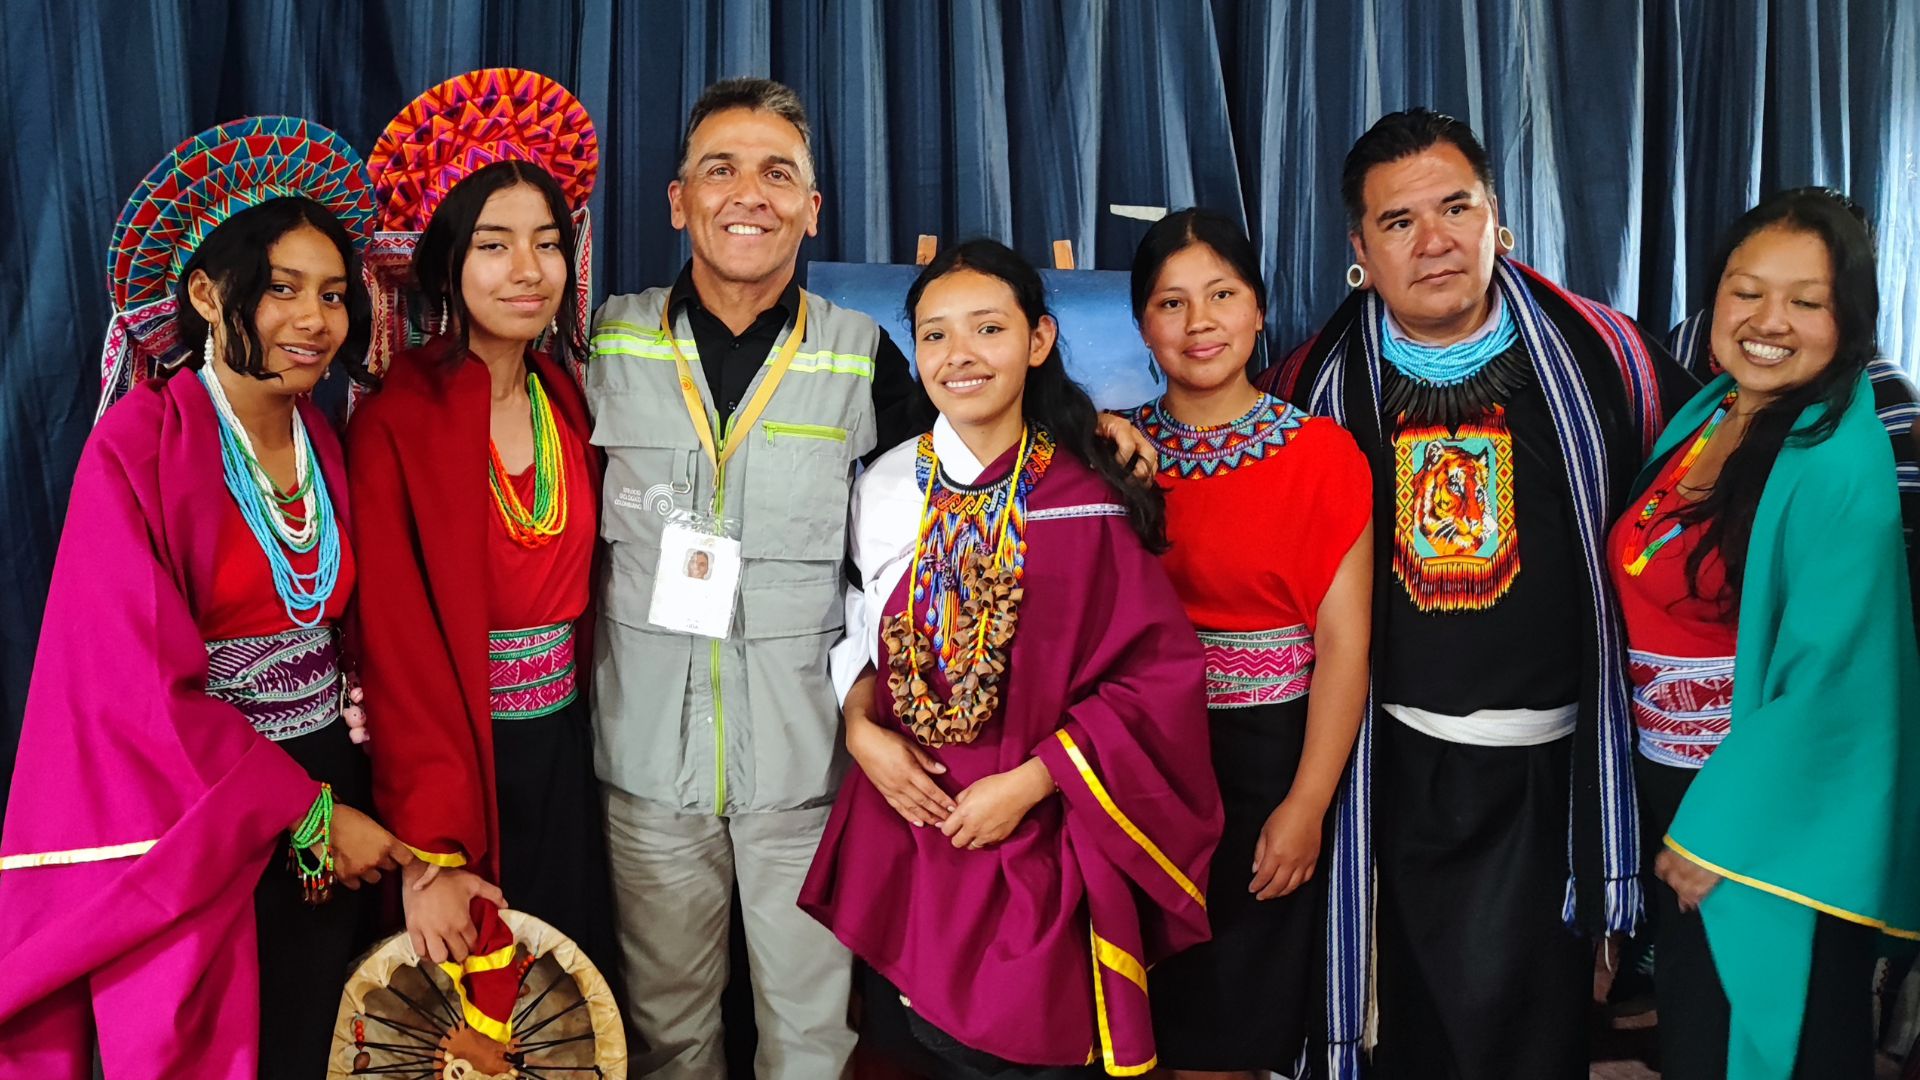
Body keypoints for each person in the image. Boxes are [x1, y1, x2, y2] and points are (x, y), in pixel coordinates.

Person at [586, 78, 1155, 1077]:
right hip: (645, 766)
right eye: (720, 169)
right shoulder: (603, 344)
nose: (747, 194)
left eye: (779, 174)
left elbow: (967, 463)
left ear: (814, 208)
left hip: (806, 767)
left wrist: (1095, 430)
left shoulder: (865, 358)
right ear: (678, 199)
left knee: (810, 1035)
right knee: (667, 1033)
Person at [1259, 107, 1698, 1079]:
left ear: (1498, 217)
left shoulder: (1605, 363)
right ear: (1359, 253)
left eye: (1456, 206)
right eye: (1399, 222)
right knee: (1409, 1029)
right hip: (1394, 775)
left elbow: (1693, 540)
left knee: (1539, 1037)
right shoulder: (1314, 389)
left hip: (1559, 778)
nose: (1436, 241)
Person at [0, 118, 412, 1079]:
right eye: (281, 290)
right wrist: (303, 816)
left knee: (330, 1036)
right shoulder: (139, 446)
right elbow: (132, 690)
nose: (314, 319)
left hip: (332, 788)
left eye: (334, 295)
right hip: (211, 807)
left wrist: (345, 799)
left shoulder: (333, 437)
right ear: (204, 292)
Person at [800, 238, 1221, 1078]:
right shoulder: (883, 487)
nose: (959, 357)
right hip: (913, 826)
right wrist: (860, 731)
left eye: (987, 329)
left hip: (1041, 834)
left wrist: (1032, 782)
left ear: (1037, 341)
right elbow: (863, 631)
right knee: (911, 1049)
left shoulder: (1088, 493)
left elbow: (1153, 679)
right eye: (933, 335)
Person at [1610, 187, 1920, 1080]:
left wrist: (1723, 828)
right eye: (1747, 291)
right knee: (1704, 1034)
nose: (1768, 321)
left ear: (1848, 317)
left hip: (1765, 815)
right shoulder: (1712, 407)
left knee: (1782, 1036)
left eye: (1806, 300)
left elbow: (1836, 678)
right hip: (1680, 787)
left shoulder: (1839, 455)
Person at [350, 68, 616, 973]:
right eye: (495, 246)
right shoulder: (398, 419)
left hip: (568, 748)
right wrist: (432, 849)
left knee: (569, 995)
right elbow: (395, 642)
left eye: (547, 244)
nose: (529, 271)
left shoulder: (567, 398)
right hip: (463, 758)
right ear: (447, 264)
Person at [1118, 209, 1372, 1078]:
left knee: (1229, 1027)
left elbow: (1345, 645)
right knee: (1129, 1014)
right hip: (1134, 766)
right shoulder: (1109, 450)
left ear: (1260, 310)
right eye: (1171, 302)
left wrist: (1305, 806)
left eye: (1222, 295)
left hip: (1263, 767)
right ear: (1141, 321)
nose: (1200, 324)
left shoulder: (1323, 453)